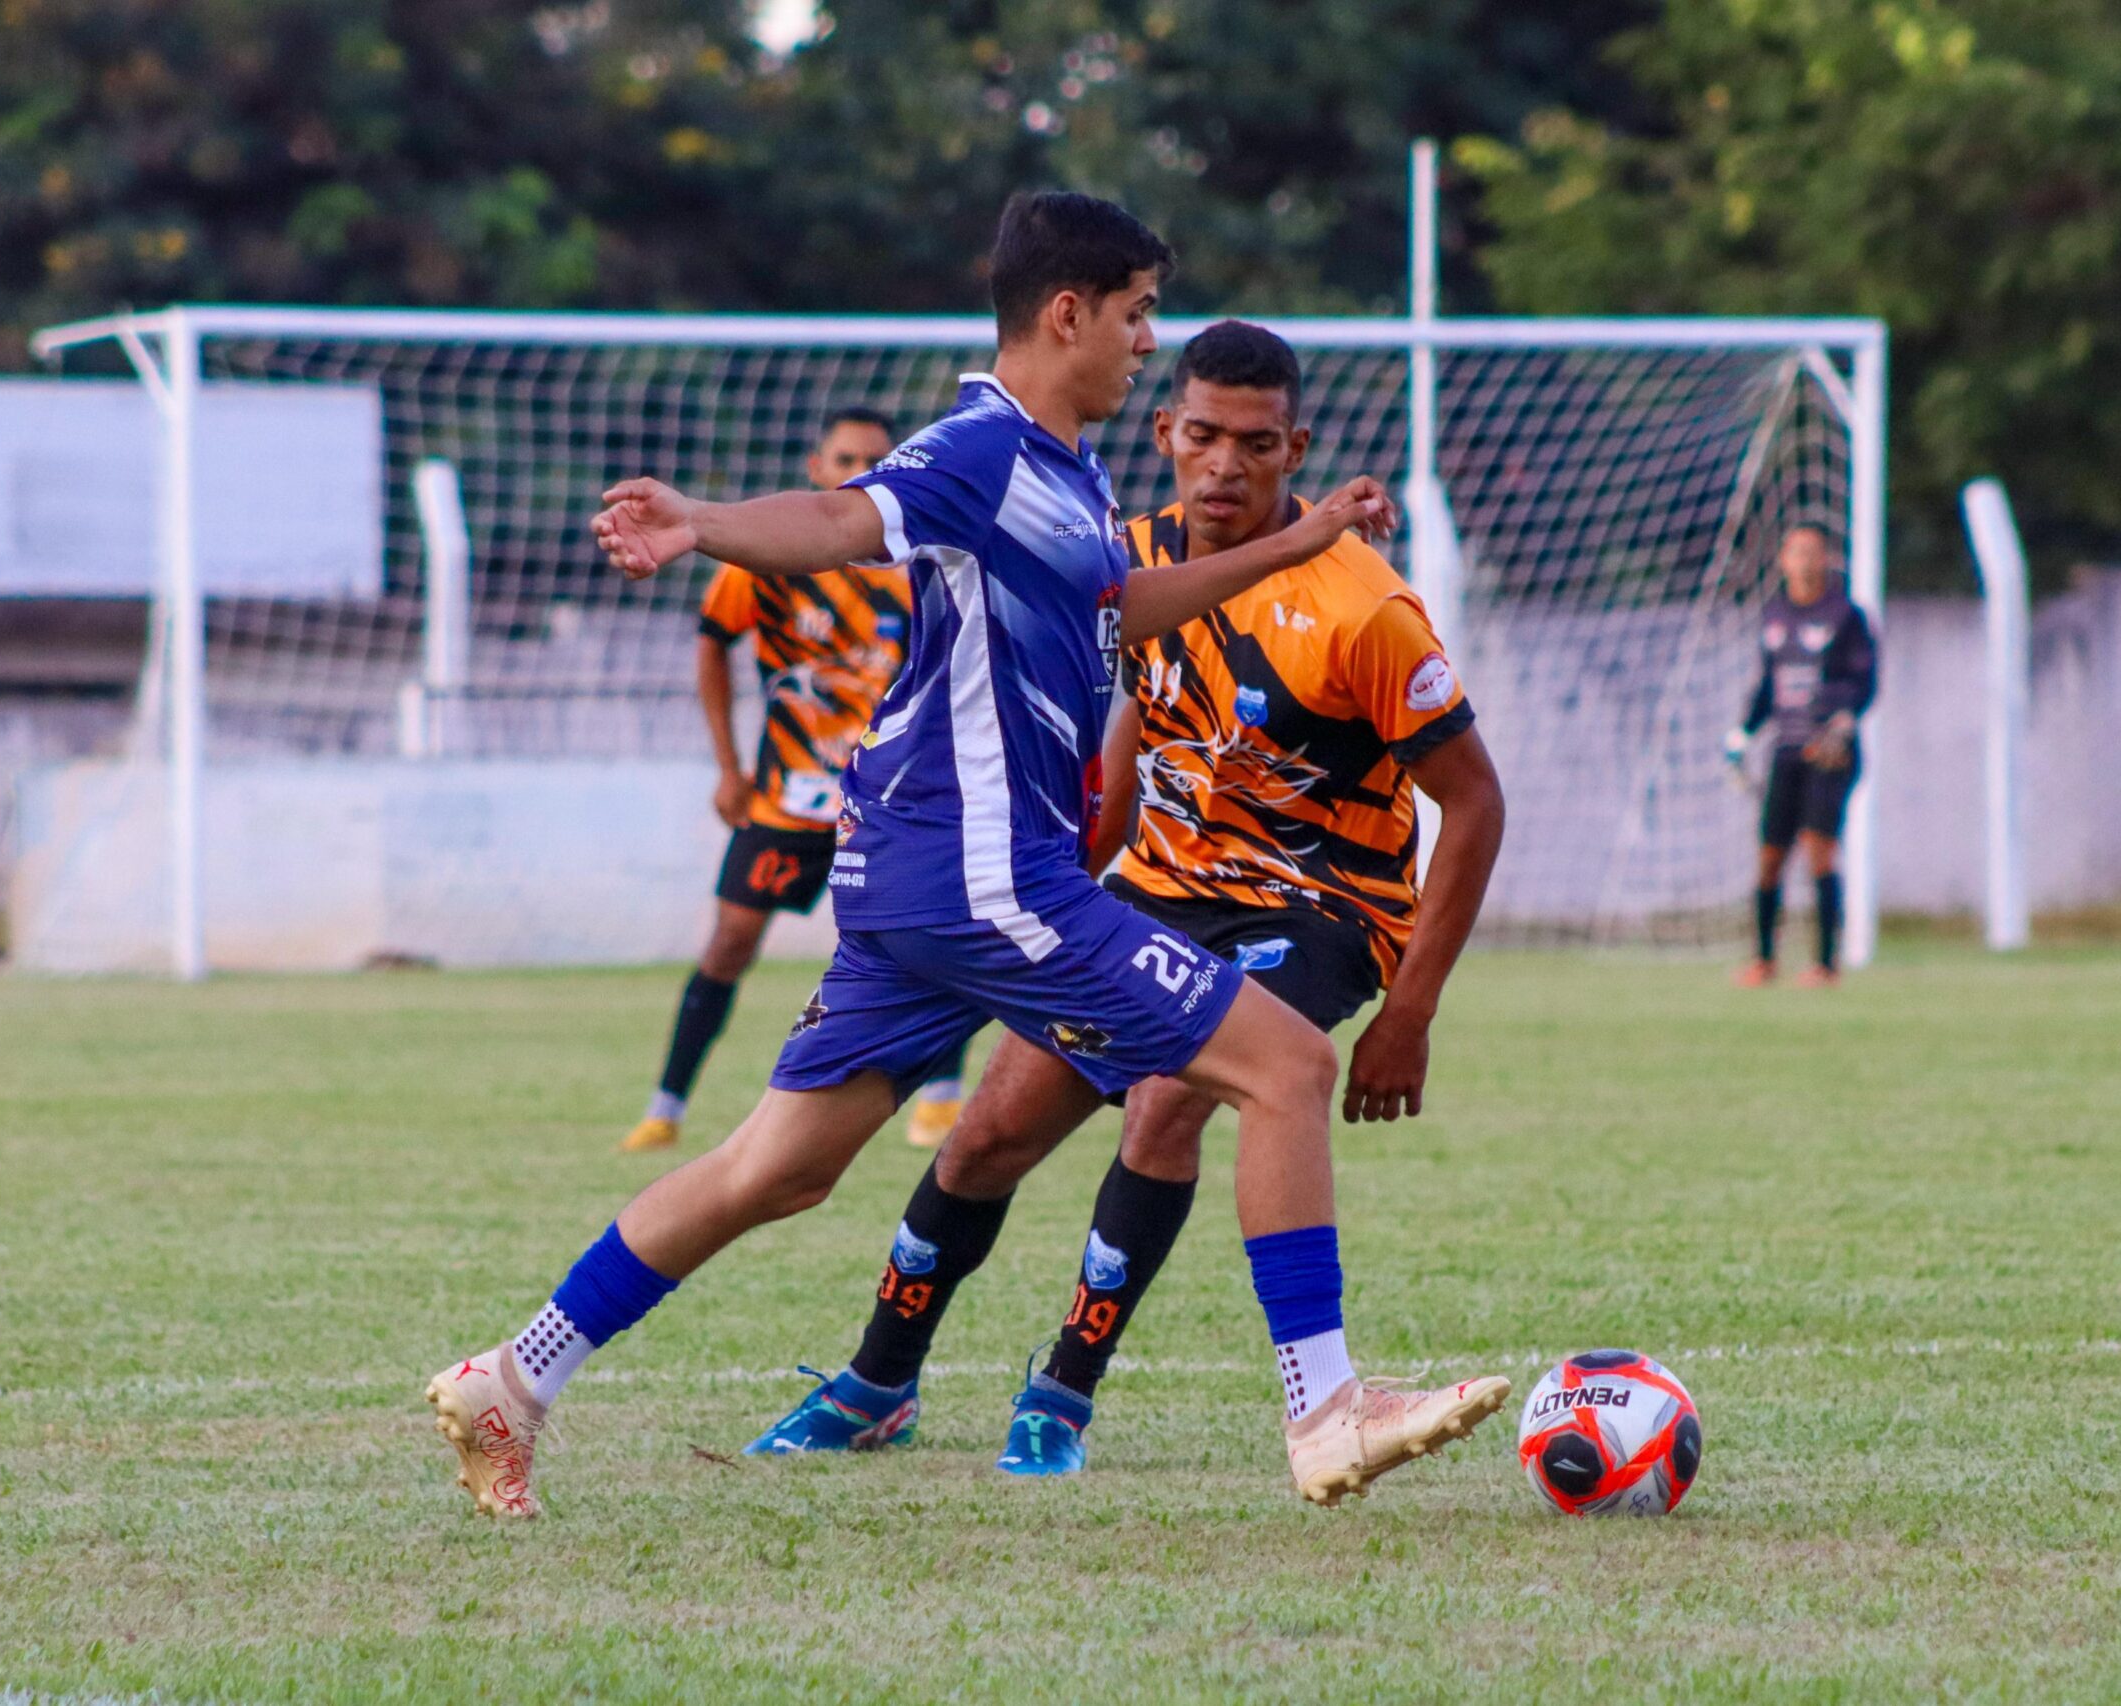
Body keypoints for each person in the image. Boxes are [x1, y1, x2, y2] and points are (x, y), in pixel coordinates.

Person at [421, 193, 1508, 1520]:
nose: (1145, 342)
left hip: (917, 873)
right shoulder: (981, 450)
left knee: (779, 1165)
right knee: (1286, 1065)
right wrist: (699, 518)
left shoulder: (1069, 472)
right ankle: (1327, 1407)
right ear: (1069, 313)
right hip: (984, 870)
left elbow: (1117, 606)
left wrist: (1294, 542)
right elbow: (840, 522)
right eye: (1136, 315)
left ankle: (513, 1377)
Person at [741, 319, 1507, 1479]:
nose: (1224, 465)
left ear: (1295, 449)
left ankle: (1060, 1393)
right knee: (990, 1130)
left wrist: (1411, 1009)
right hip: (1155, 888)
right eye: (1203, 435)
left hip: (1315, 909)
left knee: (1165, 1100)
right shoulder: (1123, 560)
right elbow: (1138, 735)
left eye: (1256, 444)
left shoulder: (1365, 609)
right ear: (1163, 431)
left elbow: (1475, 799)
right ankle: (875, 1381)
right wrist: (1042, 900)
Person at [622, 407, 968, 1157]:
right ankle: (664, 1108)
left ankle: (941, 1101)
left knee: (932, 937)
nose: (859, 473)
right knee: (729, 943)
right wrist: (728, 767)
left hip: (886, 804)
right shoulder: (769, 557)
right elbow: (712, 646)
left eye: (874, 461)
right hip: (787, 799)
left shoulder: (918, 567)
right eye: (845, 460)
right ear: (817, 468)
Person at [1725, 523, 1879, 986]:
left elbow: (1864, 681)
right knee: (1770, 855)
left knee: (1818, 849)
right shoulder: (1775, 615)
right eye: (1796, 552)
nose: (1805, 560)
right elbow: (1767, 685)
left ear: (1826, 559)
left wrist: (1843, 720)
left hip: (1828, 752)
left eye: (1813, 551)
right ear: (1783, 561)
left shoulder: (1846, 616)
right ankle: (1764, 959)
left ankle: (1825, 964)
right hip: (1785, 750)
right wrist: (1742, 733)